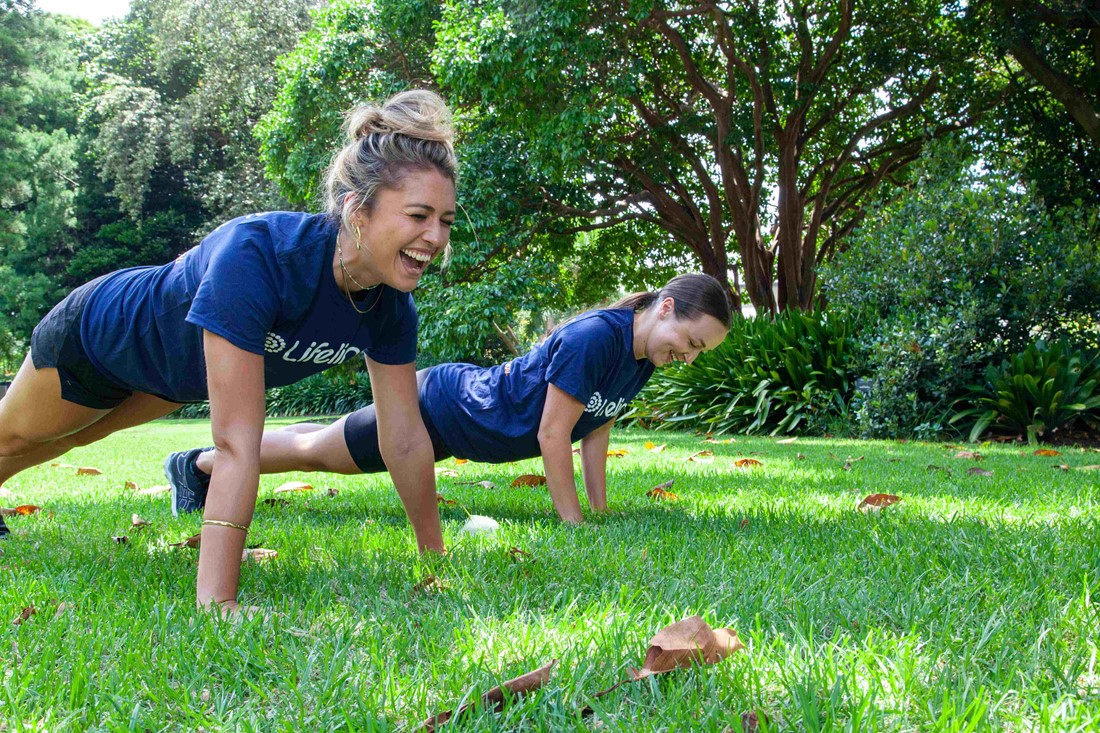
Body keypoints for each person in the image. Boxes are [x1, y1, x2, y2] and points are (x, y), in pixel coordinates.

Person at [0, 90, 456, 613]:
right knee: (17, 433)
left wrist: (433, 559)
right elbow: (238, 444)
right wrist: (218, 603)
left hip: (170, 381)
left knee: (77, 438)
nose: (435, 236)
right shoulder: (259, 255)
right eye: (419, 215)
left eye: (444, 220)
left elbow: (403, 437)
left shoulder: (389, 307)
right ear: (358, 210)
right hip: (100, 337)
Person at [164, 274, 731, 524]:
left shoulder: (639, 359)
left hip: (458, 424)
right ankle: (198, 466)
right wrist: (573, 520)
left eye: (700, 352)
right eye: (691, 341)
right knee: (319, 450)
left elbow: (593, 428)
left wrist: (600, 507)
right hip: (441, 407)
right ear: (664, 308)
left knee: (324, 446)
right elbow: (553, 434)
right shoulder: (595, 339)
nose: (690, 355)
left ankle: (204, 465)